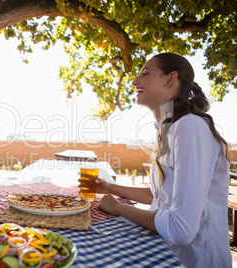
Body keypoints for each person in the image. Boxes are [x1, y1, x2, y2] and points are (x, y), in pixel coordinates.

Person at [95, 53, 232, 267]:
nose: (134, 81)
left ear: (170, 79)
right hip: (165, 251)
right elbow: (160, 197)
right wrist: (109, 188)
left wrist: (119, 208)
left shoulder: (190, 128)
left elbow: (181, 229)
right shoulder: (168, 129)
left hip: (192, 260)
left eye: (145, 73)